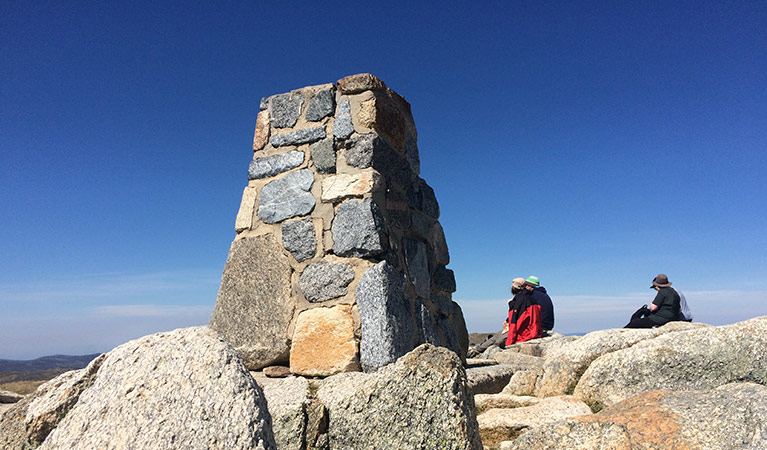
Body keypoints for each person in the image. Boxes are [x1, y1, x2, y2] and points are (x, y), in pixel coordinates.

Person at [469, 278, 526, 356]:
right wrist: (507, 320)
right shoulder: (521, 298)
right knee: (494, 337)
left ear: (515, 287)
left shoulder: (521, 299)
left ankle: (477, 351)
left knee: (498, 341)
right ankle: (477, 349)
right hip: (513, 326)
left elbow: (518, 317)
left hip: (517, 328)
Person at [506, 278, 543, 345]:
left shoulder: (521, 299)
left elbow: (516, 321)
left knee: (497, 339)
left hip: (526, 334)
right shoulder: (532, 298)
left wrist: (509, 343)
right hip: (537, 330)